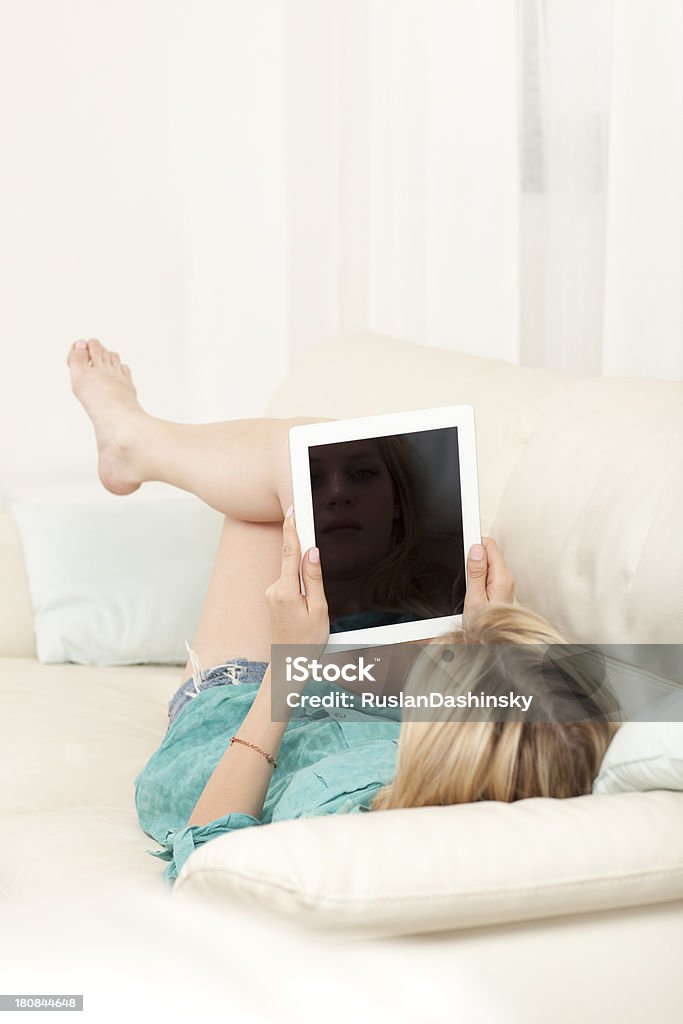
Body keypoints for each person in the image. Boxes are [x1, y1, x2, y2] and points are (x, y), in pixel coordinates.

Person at [67, 339, 620, 886]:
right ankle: (134, 441)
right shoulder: (511, 772)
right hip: (351, 699)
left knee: (303, 458)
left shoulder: (342, 829)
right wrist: (486, 633)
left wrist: (289, 670)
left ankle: (131, 442)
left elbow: (206, 857)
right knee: (318, 459)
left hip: (240, 709)